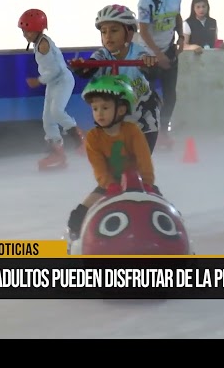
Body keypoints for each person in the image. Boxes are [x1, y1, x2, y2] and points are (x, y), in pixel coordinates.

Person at [66, 75, 160, 242]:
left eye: (105, 107)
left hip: (139, 182)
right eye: (95, 109)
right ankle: (76, 244)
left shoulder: (132, 131)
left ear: (122, 110)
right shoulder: (94, 137)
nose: (99, 113)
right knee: (78, 215)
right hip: (109, 185)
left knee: (162, 208)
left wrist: (147, 183)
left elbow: (144, 161)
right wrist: (110, 186)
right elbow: (99, 168)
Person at [69, 4, 161, 153]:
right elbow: (90, 66)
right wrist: (82, 67)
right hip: (113, 120)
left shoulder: (138, 52)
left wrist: (148, 64)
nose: (107, 36)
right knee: (114, 166)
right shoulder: (102, 55)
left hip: (143, 120)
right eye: (103, 32)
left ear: (129, 34)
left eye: (114, 30)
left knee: (139, 162)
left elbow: (149, 67)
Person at [18, 8, 84, 171]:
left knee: (57, 112)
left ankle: (79, 138)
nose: (25, 34)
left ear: (37, 29)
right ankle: (57, 151)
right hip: (53, 83)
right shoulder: (39, 42)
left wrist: (38, 80)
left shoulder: (44, 44)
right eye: (24, 31)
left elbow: (56, 70)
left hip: (62, 81)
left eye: (27, 31)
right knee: (48, 120)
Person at [136, 0, 183, 149]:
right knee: (148, 96)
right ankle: (148, 131)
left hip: (169, 49)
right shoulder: (146, 0)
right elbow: (143, 30)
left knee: (170, 94)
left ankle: (163, 131)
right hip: (148, 54)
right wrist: (157, 54)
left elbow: (177, 16)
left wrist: (181, 38)